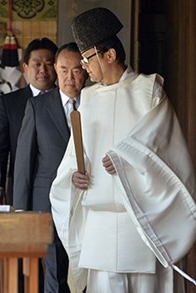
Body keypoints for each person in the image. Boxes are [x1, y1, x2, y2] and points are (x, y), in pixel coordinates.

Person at [49, 7, 196, 292]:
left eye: (86, 59)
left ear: (110, 55)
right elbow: (73, 161)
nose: (84, 68)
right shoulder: (88, 99)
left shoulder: (148, 91)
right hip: (99, 227)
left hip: (139, 225)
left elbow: (164, 148)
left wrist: (126, 157)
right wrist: (74, 177)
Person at [14, 42, 88, 293]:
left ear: (86, 71)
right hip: (48, 203)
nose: (70, 77)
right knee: (55, 273)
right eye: (64, 69)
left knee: (86, 270)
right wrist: (22, 211)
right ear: (56, 69)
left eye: (77, 70)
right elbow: (24, 163)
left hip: (88, 201)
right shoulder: (37, 107)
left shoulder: (96, 103)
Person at [0, 37, 58, 205]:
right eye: (37, 64)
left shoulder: (68, 100)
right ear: (25, 67)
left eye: (49, 64)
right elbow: (1, 150)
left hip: (59, 184)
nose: (43, 70)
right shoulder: (9, 103)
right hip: (20, 185)